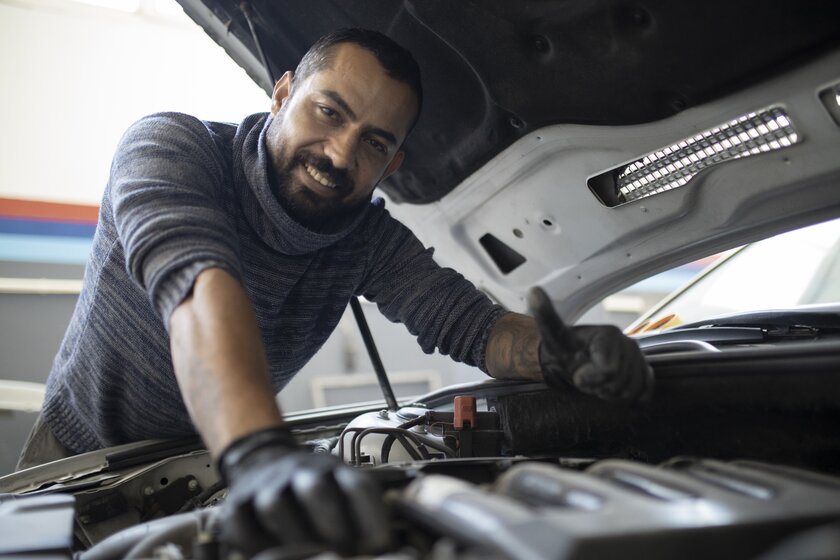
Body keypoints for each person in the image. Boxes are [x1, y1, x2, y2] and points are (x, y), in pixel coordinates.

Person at [18, 28, 652, 555]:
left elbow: (471, 326)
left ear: (393, 164)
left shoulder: (367, 239)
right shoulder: (171, 148)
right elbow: (197, 285)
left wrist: (558, 354)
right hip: (79, 461)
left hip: (214, 465)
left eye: (375, 142)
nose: (341, 155)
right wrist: (261, 451)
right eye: (330, 112)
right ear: (283, 92)